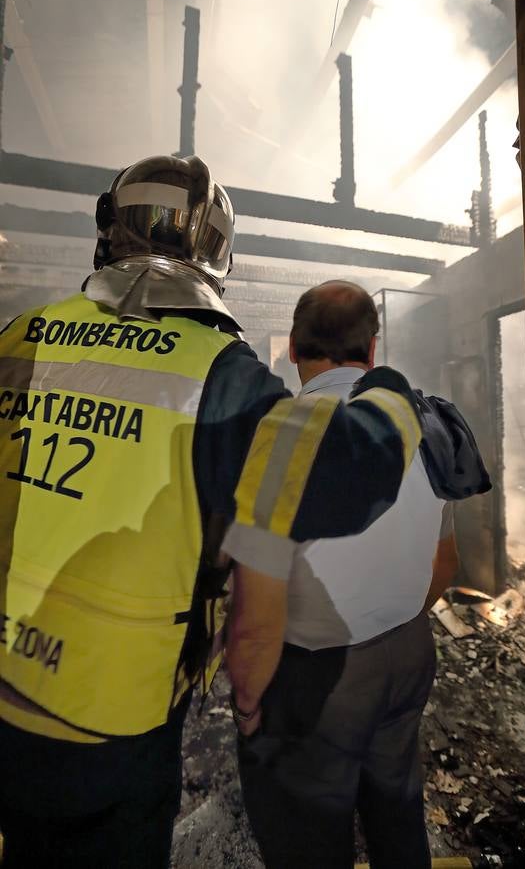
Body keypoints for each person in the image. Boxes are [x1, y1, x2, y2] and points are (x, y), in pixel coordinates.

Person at [0, 158, 426, 868]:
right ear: (218, 257)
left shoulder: (21, 335)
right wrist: (391, 391)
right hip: (114, 716)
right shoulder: (225, 377)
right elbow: (348, 474)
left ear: (109, 230)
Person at [229, 281, 490, 869]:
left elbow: (256, 616)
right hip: (407, 655)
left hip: (316, 679)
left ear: (293, 347)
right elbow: (445, 563)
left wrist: (246, 705)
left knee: (310, 838)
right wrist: (391, 622)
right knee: (396, 811)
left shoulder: (281, 432)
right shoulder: (418, 420)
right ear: (372, 348)